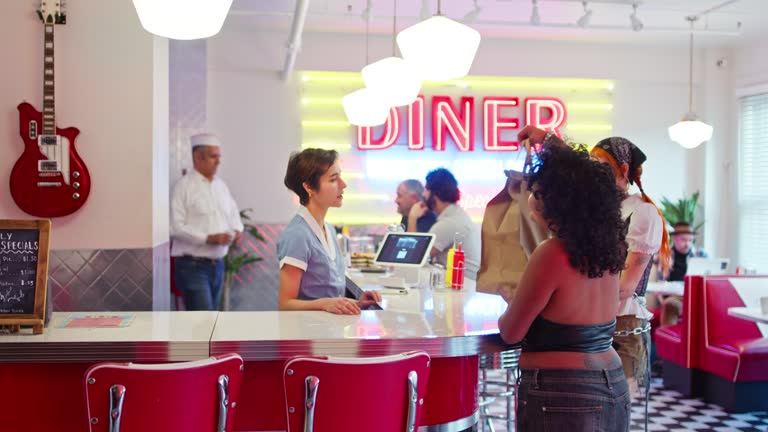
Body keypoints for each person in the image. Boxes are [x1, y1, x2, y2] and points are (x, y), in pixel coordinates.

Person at [499, 126, 630, 431]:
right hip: (612, 381)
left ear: (556, 200)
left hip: (563, 393)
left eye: (539, 190)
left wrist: (513, 302)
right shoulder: (612, 247)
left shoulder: (553, 253)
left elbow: (510, 333)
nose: (532, 195)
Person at [590, 136, 670, 396]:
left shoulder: (643, 213)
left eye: (602, 165)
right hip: (592, 320)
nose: (596, 173)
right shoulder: (601, 211)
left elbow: (625, 287)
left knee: (616, 406)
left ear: (623, 169)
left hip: (623, 324)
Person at [277, 148, 381, 314]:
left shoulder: (330, 230)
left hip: (330, 330)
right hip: (309, 333)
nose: (343, 184)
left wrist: (357, 303)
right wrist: (324, 304)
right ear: (309, 187)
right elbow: (285, 304)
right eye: (333, 179)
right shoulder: (297, 235)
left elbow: (330, 297)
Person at [171, 133, 244, 311]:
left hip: (217, 265)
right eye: (213, 156)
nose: (218, 161)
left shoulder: (221, 186)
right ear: (198, 157)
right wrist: (207, 238)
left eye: (219, 156)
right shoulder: (183, 186)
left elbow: (234, 215)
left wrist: (237, 230)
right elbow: (175, 227)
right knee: (203, 324)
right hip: (192, 267)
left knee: (210, 324)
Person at [408, 168, 481, 279]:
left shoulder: (449, 223)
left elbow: (413, 258)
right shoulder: (456, 215)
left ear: (435, 194)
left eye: (426, 189)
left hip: (459, 289)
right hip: (462, 285)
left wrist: (412, 218)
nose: (423, 194)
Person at [655, 221, 707, 326]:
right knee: (670, 304)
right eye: (683, 240)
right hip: (675, 297)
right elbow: (661, 283)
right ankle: (667, 337)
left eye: (690, 240)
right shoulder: (666, 256)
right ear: (674, 238)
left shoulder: (701, 254)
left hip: (696, 296)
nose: (687, 244)